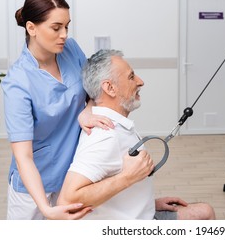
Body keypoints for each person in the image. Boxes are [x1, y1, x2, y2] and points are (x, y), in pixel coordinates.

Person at [57, 49, 216, 220]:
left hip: (141, 212)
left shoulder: (116, 125)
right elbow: (67, 201)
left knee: (204, 212)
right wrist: (127, 177)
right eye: (131, 77)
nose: (141, 82)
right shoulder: (105, 136)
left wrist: (149, 203)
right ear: (110, 88)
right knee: (205, 214)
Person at [1, 0, 117, 220]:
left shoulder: (71, 50)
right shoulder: (17, 82)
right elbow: (23, 156)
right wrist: (45, 208)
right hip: (33, 188)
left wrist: (87, 109)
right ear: (31, 28)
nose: (64, 34)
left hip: (73, 176)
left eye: (67, 26)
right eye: (56, 28)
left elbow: (93, 90)